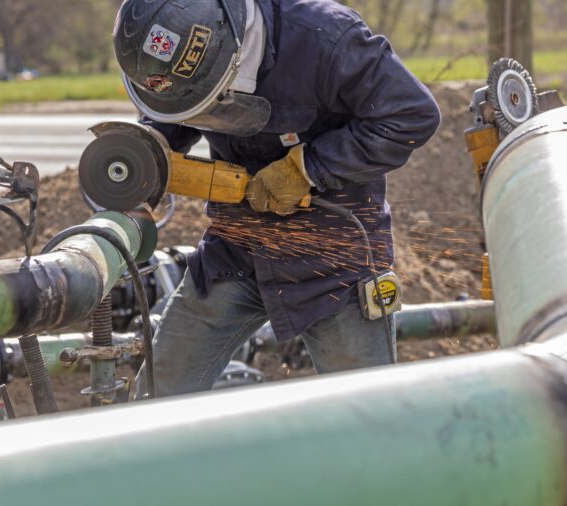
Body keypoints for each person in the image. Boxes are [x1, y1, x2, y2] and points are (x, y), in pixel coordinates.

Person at [113, 0, 441, 397]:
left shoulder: (325, 38)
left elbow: (412, 114)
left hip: (333, 262)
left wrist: (309, 170)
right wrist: (150, 151)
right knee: (156, 395)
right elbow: (174, 110)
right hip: (236, 249)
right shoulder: (190, 58)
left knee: (366, 414)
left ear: (232, 54)